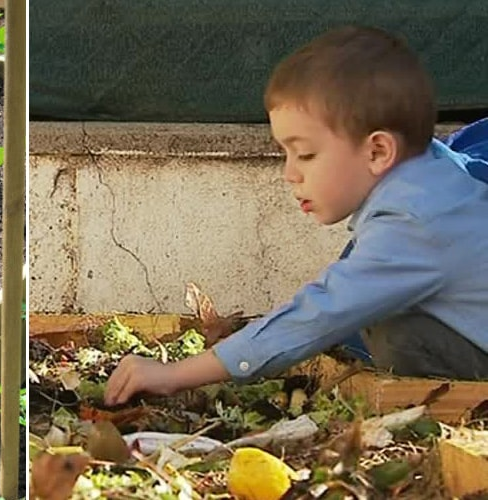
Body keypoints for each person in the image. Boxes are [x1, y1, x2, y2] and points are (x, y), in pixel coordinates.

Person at [104, 25, 488, 407]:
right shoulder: (432, 178)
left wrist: (175, 375)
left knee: (390, 327)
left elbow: (321, 314)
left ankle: (454, 416)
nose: (290, 173)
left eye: (305, 154)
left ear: (377, 152)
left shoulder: (412, 223)